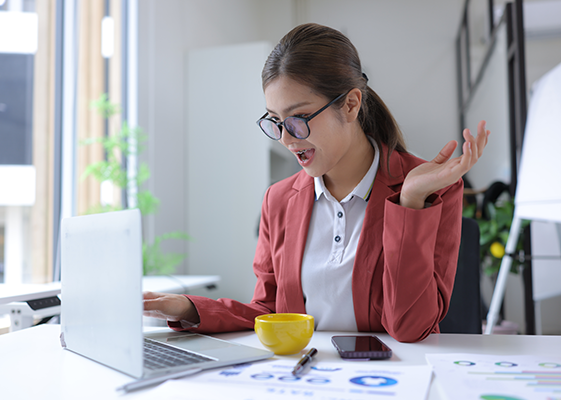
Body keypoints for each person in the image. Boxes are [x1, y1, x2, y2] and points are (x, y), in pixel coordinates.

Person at [143, 23, 490, 343]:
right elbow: (269, 312)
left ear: (351, 104)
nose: (287, 139)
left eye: (297, 119)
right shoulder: (278, 200)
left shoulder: (430, 189)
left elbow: (410, 327)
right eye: (276, 121)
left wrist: (410, 203)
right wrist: (188, 308)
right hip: (306, 379)